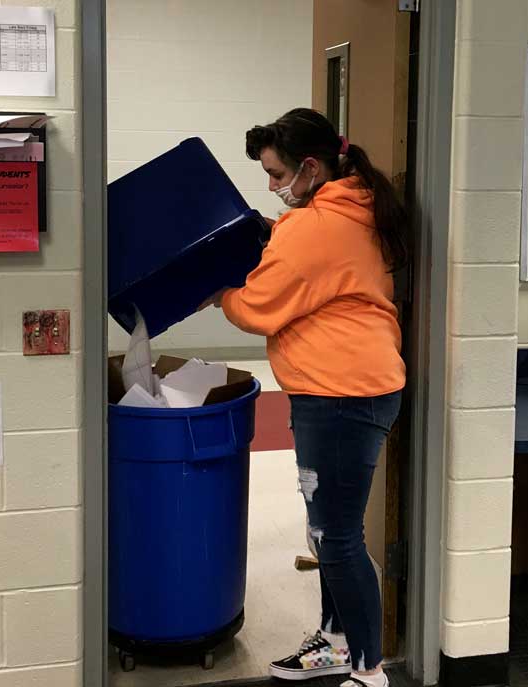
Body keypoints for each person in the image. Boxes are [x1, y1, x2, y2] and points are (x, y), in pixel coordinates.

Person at [201, 108, 407, 687]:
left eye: (276, 174)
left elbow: (258, 304)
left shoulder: (315, 227)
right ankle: (337, 641)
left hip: (341, 395)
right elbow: (316, 266)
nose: (272, 186)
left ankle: (369, 672)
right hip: (345, 389)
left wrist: (220, 294)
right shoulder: (352, 204)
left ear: (311, 168)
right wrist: (272, 232)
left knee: (336, 537)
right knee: (328, 531)